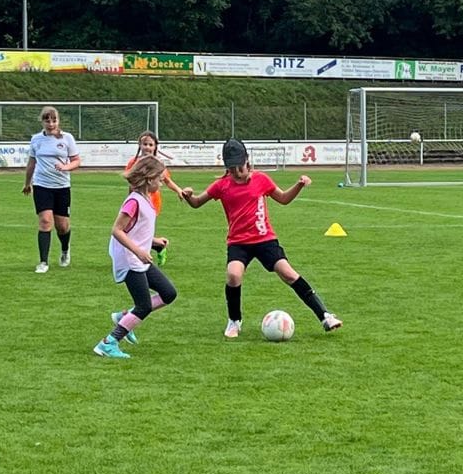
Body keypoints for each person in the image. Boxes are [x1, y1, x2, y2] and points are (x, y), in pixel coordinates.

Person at [175, 139, 342, 338]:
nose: (237, 172)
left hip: (264, 240)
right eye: (232, 169)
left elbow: (283, 199)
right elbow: (196, 202)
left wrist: (299, 185)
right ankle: (234, 320)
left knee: (288, 273)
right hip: (238, 242)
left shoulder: (261, 179)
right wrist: (188, 195)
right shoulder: (221, 185)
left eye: (240, 167)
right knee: (233, 275)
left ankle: (325, 316)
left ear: (247, 160)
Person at [94, 156, 179, 359]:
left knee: (168, 293)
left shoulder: (146, 199)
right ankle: (108, 343)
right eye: (159, 179)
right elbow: (117, 230)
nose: (161, 183)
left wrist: (154, 241)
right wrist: (139, 251)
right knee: (144, 306)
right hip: (129, 259)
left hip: (138, 258)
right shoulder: (134, 201)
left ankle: (125, 317)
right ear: (149, 179)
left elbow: (136, 230)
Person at [20, 106, 82, 273]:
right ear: (42, 121)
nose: (51, 124)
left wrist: (66, 167)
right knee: (45, 221)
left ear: (58, 121)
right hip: (42, 186)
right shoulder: (36, 139)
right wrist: (27, 183)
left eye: (54, 120)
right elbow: (32, 163)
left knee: (62, 226)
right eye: (47, 120)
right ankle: (43, 262)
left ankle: (65, 250)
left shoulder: (67, 138)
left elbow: (77, 160)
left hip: (62, 187)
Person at [127, 131, 169, 263]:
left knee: (140, 230)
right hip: (136, 200)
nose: (147, 147)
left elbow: (167, 180)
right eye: (145, 144)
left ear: (155, 147)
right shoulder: (133, 162)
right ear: (139, 145)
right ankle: (157, 245)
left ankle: (147, 252)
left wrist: (179, 190)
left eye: (150, 144)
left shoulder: (157, 164)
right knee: (134, 229)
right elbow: (130, 182)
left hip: (152, 202)